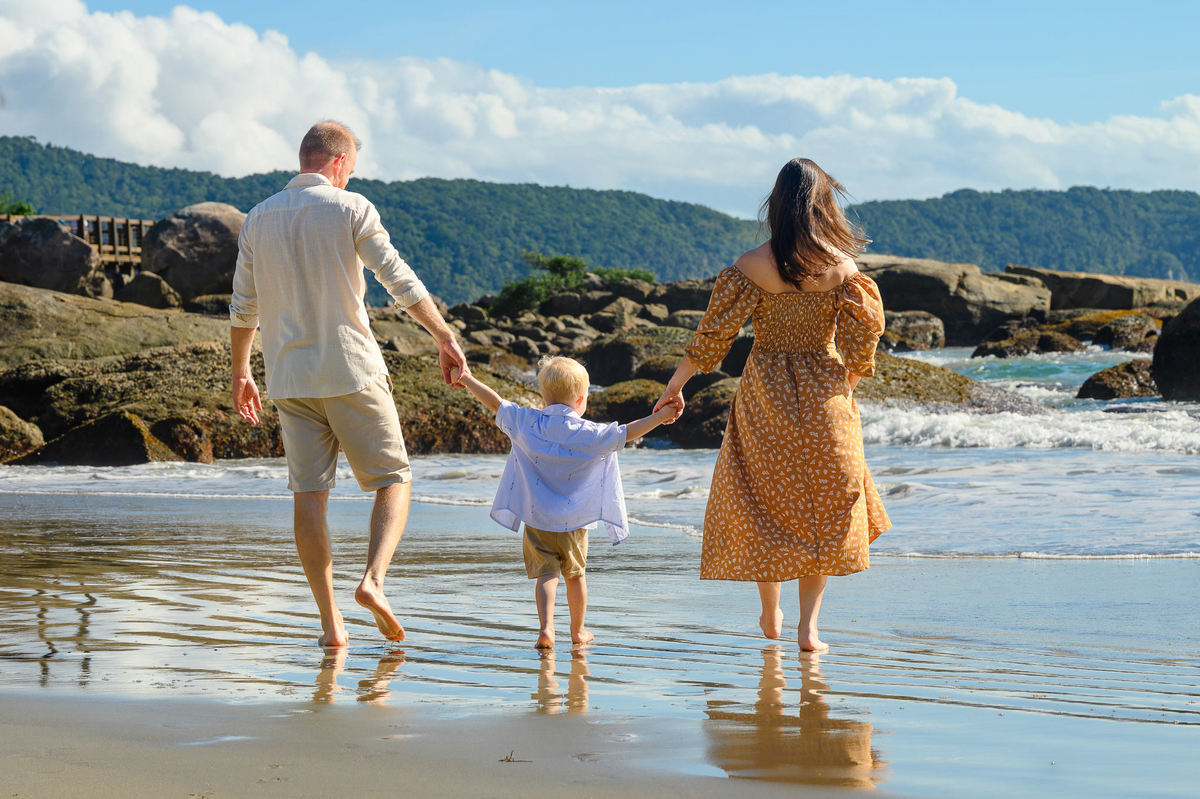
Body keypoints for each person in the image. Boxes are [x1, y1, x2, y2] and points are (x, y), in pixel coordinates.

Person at [229, 120, 468, 648]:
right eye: (352, 167)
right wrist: (444, 336)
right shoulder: (351, 206)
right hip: (351, 368)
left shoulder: (257, 218)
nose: (351, 175)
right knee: (394, 479)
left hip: (289, 378)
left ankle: (331, 625)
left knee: (309, 495)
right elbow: (398, 278)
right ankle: (373, 580)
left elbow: (244, 305)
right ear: (338, 162)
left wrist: (242, 372)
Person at [653, 157, 891, 651]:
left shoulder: (750, 266)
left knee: (764, 504)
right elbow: (865, 332)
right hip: (827, 393)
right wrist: (850, 375)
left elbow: (711, 337)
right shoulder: (842, 267)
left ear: (777, 204)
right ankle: (809, 627)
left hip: (767, 394)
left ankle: (769, 613)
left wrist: (675, 386)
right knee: (825, 509)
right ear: (824, 204)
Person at [456, 357, 679, 649]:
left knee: (546, 575)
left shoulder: (527, 423)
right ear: (581, 399)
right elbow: (627, 432)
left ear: (543, 397)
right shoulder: (590, 433)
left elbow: (496, 403)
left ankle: (546, 629)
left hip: (537, 519)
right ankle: (578, 631)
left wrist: (467, 379)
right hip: (576, 522)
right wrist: (661, 417)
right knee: (575, 575)